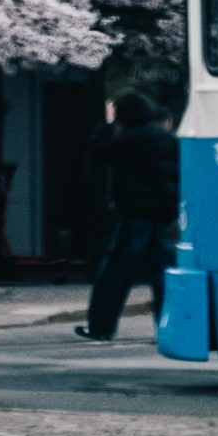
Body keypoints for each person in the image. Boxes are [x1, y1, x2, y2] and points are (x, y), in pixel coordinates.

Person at [77, 92, 178, 342]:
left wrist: (106, 125)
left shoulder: (131, 139)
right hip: (165, 215)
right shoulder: (167, 139)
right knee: (163, 273)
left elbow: (99, 153)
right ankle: (167, 328)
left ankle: (101, 326)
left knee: (116, 272)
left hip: (136, 214)